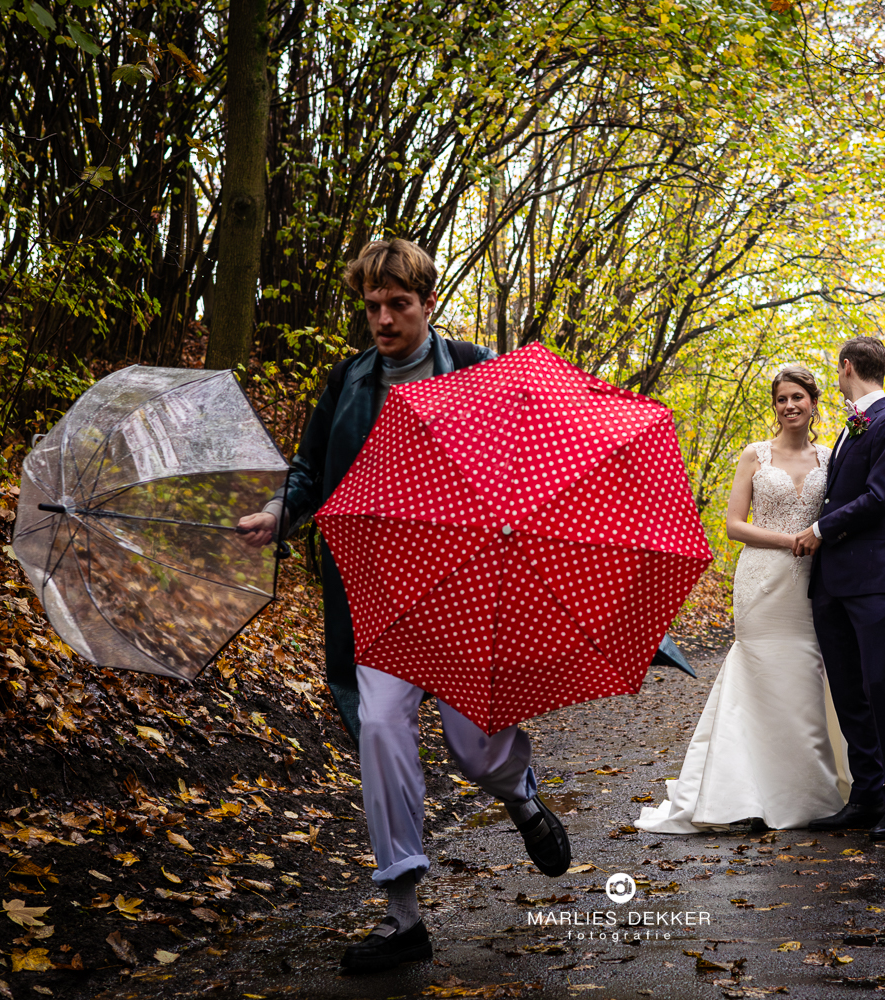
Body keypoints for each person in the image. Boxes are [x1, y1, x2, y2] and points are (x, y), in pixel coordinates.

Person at [238, 238, 570, 974]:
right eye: (372, 307)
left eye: (398, 305)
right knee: (382, 729)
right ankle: (403, 916)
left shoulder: (480, 369)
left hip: (464, 588)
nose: (383, 320)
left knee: (474, 748)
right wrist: (279, 513)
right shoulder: (349, 380)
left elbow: (536, 457)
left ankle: (520, 798)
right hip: (378, 592)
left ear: (427, 302)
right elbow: (311, 470)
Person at [636, 366, 850, 832]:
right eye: (781, 399)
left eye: (798, 397)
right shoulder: (754, 455)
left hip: (814, 584)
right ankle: (744, 790)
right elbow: (734, 525)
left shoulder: (832, 459)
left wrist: (813, 539)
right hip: (761, 582)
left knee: (808, 675)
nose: (789, 406)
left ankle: (810, 789)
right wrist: (791, 539)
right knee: (759, 672)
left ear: (814, 402)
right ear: (774, 406)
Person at [791, 336, 885, 838]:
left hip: (871, 578)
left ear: (847, 367)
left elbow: (880, 496)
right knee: (847, 691)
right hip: (831, 581)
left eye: (837, 369)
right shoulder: (852, 425)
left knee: (879, 686)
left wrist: (821, 530)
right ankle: (866, 795)